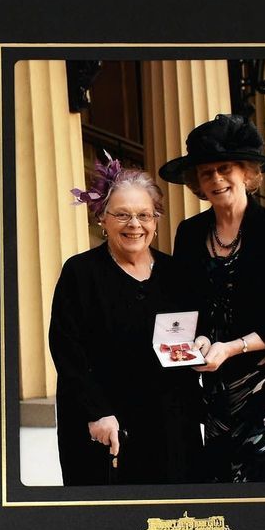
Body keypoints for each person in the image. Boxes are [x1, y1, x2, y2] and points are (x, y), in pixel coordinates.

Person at [160, 114, 265, 482]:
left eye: (224, 168)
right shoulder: (190, 233)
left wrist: (230, 348)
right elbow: (185, 304)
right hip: (216, 384)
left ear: (247, 172)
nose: (215, 179)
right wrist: (193, 339)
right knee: (224, 484)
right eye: (206, 172)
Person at [48, 155, 203, 485]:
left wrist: (201, 342)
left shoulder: (176, 273)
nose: (135, 224)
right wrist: (95, 413)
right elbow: (66, 349)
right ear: (103, 219)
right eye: (122, 215)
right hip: (108, 425)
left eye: (144, 215)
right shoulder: (81, 273)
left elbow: (194, 329)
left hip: (170, 424)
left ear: (156, 221)